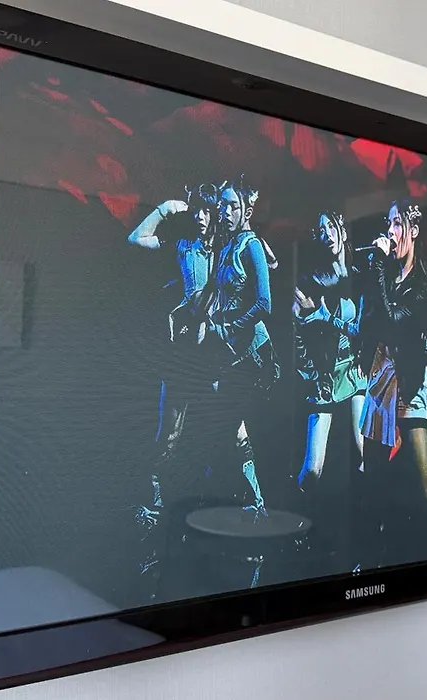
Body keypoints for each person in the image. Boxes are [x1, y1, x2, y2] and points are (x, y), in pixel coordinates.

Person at [126, 183, 220, 561]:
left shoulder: (228, 250)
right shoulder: (182, 246)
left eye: (207, 210)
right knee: (170, 433)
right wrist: (165, 207)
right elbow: (136, 238)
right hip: (182, 354)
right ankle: (155, 510)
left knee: (215, 433)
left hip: (217, 353)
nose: (201, 217)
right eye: (196, 210)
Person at [359, 200, 427, 563]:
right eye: (388, 223)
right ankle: (372, 559)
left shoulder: (422, 284)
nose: (390, 232)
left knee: (423, 489)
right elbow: (371, 318)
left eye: (396, 224)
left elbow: (394, 319)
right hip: (381, 377)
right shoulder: (386, 273)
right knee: (373, 480)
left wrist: (377, 267)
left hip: (408, 380)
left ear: (413, 230)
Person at [204, 175, 278, 521]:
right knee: (235, 431)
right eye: (223, 205)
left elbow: (264, 303)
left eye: (232, 205)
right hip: (229, 353)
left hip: (253, 354)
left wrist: (229, 326)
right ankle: (254, 503)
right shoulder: (226, 248)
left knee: (230, 424)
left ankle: (257, 503)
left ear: (246, 209)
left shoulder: (251, 246)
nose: (226, 211)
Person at [294, 211, 366, 491]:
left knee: (363, 450)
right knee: (312, 470)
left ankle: (367, 509)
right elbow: (298, 332)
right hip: (324, 375)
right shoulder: (312, 280)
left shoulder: (359, 276)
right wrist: (312, 374)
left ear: (343, 231)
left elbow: (361, 330)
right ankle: (295, 510)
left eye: (331, 227)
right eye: (321, 231)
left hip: (354, 371)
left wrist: (326, 318)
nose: (327, 235)